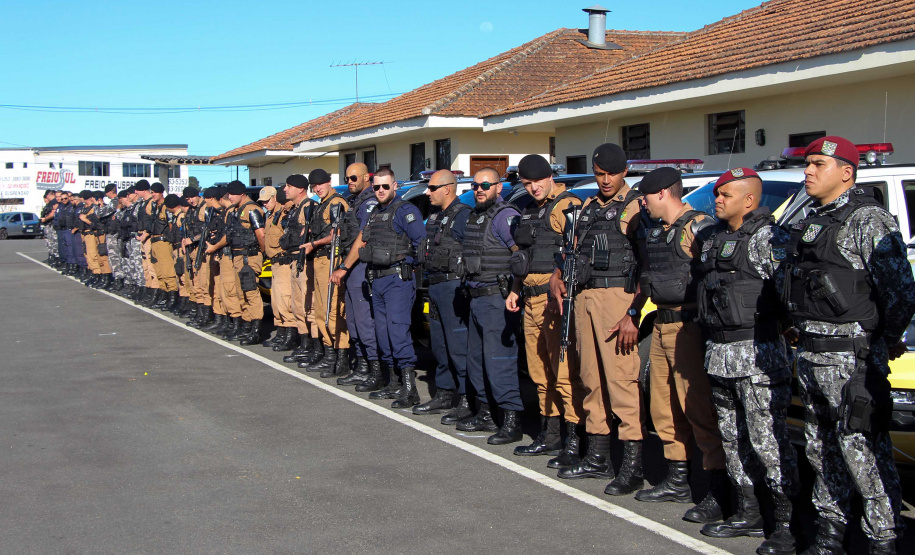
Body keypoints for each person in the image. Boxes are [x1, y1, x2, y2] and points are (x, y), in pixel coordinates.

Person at [783, 136, 915, 555]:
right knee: (821, 450)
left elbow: (900, 292)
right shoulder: (814, 218)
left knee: (864, 453)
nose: (808, 171)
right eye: (807, 163)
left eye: (818, 164)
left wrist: (885, 341)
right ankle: (830, 534)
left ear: (846, 172)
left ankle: (884, 540)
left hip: (852, 359)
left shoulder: (868, 219)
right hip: (812, 353)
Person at [693, 167, 799, 554]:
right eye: (717, 193)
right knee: (733, 439)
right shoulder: (715, 238)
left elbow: (789, 295)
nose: (717, 199)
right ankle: (748, 511)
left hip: (757, 355)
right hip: (720, 354)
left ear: (749, 201)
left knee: (768, 442)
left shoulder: (769, 238)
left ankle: (785, 523)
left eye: (726, 194)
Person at [634, 167, 728, 519]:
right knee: (663, 406)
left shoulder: (697, 227)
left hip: (689, 327)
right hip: (661, 324)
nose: (642, 203)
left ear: (662, 194)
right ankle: (677, 479)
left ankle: (718, 488)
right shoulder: (659, 232)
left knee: (698, 409)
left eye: (645, 197)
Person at [549, 143, 646, 482]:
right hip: (583, 297)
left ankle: (633, 464)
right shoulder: (588, 206)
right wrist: (557, 277)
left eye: (612, 174)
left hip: (616, 298)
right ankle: (598, 456)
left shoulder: (635, 207)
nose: (606, 180)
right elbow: (570, 248)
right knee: (590, 379)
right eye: (600, 174)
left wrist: (633, 312)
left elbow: (649, 265)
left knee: (620, 380)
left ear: (624, 172)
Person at [506, 155, 587, 462]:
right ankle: (549, 433)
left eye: (537, 181)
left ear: (548, 176)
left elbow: (574, 251)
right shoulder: (529, 210)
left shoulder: (566, 205)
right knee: (540, 372)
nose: (533, 187)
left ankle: (574, 438)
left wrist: (561, 294)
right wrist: (515, 290)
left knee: (563, 372)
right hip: (529, 296)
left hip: (554, 301)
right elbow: (524, 256)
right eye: (527, 183)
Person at [331, 167, 425, 409]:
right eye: (377, 187)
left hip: (397, 281)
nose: (381, 190)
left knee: (397, 332)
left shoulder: (406, 211)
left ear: (395, 186)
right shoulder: (375, 213)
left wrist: (409, 266)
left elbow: (421, 245)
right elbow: (364, 239)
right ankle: (392, 382)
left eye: (386, 186)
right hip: (378, 280)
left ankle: (409, 388)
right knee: (382, 333)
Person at [455, 167, 524, 444]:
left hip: (497, 299)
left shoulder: (505, 216)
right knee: (476, 360)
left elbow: (520, 257)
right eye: (475, 185)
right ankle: (485, 413)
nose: (479, 189)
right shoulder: (476, 216)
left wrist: (515, 291)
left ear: (499, 187)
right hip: (475, 297)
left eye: (485, 184)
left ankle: (511, 420)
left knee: (500, 362)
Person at [413, 169, 473, 423]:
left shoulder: (463, 216)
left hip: (453, 286)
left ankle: (468, 399)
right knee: (439, 344)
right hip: (435, 286)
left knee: (459, 346)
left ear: (448, 188)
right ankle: (445, 393)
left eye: (432, 188)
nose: (428, 192)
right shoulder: (436, 216)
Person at [332, 163, 379, 387]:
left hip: (360, 266)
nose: (349, 181)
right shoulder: (354, 201)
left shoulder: (369, 201)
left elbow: (363, 236)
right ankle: (361, 366)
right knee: (352, 320)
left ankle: (374, 369)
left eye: (353, 178)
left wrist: (345, 266)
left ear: (366, 178)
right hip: (351, 266)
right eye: (347, 178)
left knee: (363, 321)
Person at [302, 169, 350, 377]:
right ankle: (328, 353)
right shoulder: (321, 203)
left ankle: (341, 357)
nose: (318, 188)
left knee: (333, 309)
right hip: (319, 260)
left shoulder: (337, 203)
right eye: (314, 186)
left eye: (320, 184)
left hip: (331, 260)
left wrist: (314, 243)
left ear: (329, 182)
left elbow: (336, 234)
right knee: (320, 309)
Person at [280, 175, 318, 363]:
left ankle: (313, 346)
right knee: (297, 305)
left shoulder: (309, 207)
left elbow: (312, 231)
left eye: (289, 186)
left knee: (307, 305)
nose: (285, 189)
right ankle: (304, 343)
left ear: (301, 189)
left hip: (305, 261)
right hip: (294, 260)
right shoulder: (295, 209)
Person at [262, 186, 298, 350]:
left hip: (284, 261)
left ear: (275, 197)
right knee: (276, 302)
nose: (265, 204)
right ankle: (281, 333)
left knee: (285, 300)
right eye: (262, 202)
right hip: (274, 263)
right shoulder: (271, 215)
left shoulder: (284, 213)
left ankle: (290, 335)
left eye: (267, 200)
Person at [39, 190, 59, 266]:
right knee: (50, 243)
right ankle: (52, 257)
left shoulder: (54, 202)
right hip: (49, 225)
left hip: (52, 225)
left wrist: (45, 218)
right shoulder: (50, 203)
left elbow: (52, 214)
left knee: (54, 243)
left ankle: (56, 259)